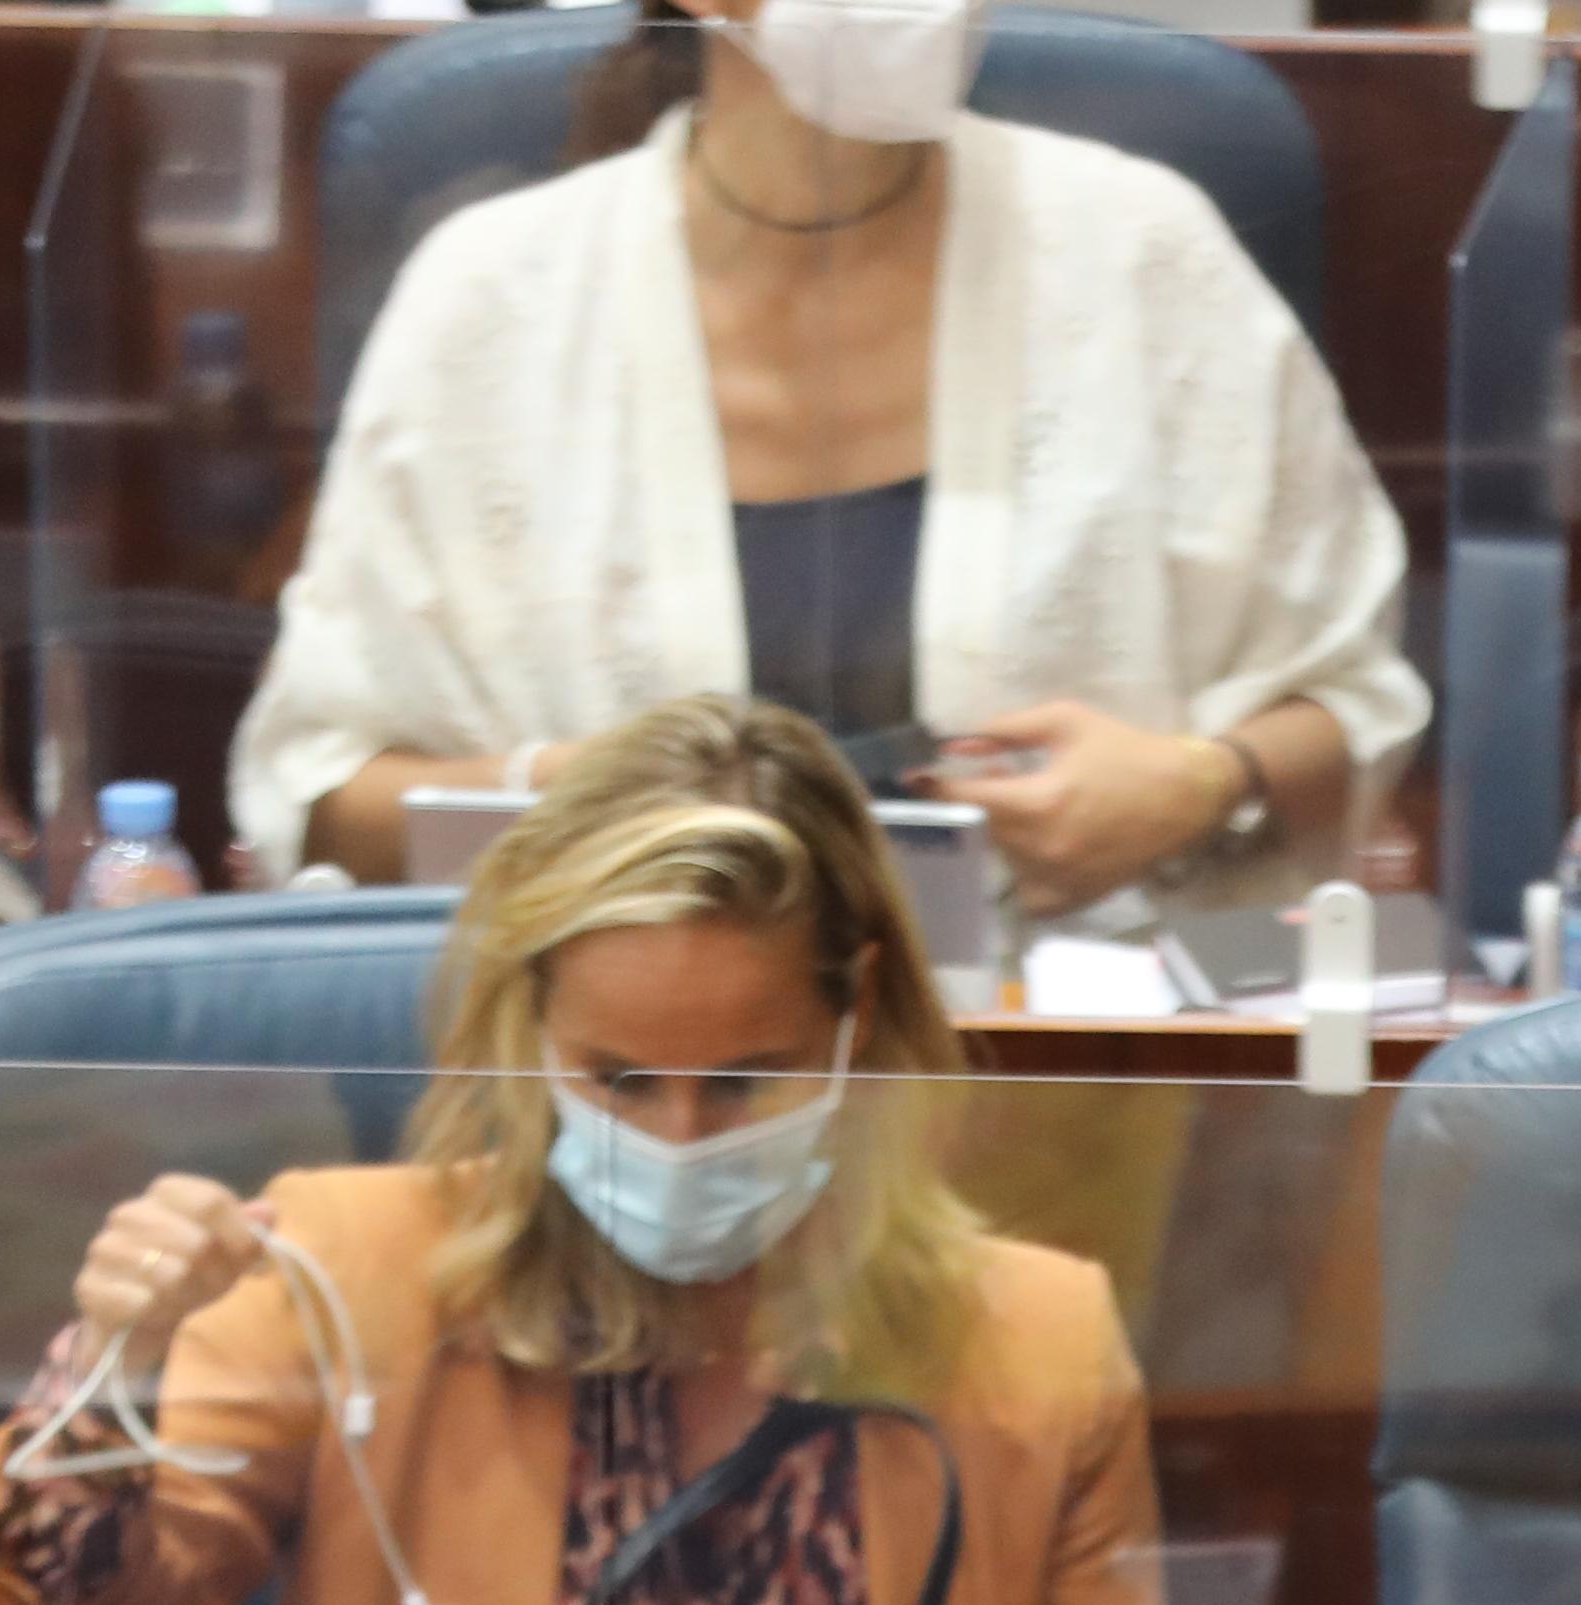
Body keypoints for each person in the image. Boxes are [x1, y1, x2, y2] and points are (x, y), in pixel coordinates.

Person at [0, 695, 1221, 1605]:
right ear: (527, 1024)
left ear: (857, 1018)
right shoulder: (346, 1277)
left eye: (744, 1080)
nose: (677, 1132)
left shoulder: (1029, 1336)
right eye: (616, 1078)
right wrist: (118, 1363)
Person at [233, 0, 1420, 919]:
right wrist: (569, 797)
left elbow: (1357, 702)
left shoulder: (1142, 252)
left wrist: (1200, 784)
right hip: (627, 1077)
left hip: (1067, 1055)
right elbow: (323, 802)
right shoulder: (491, 298)